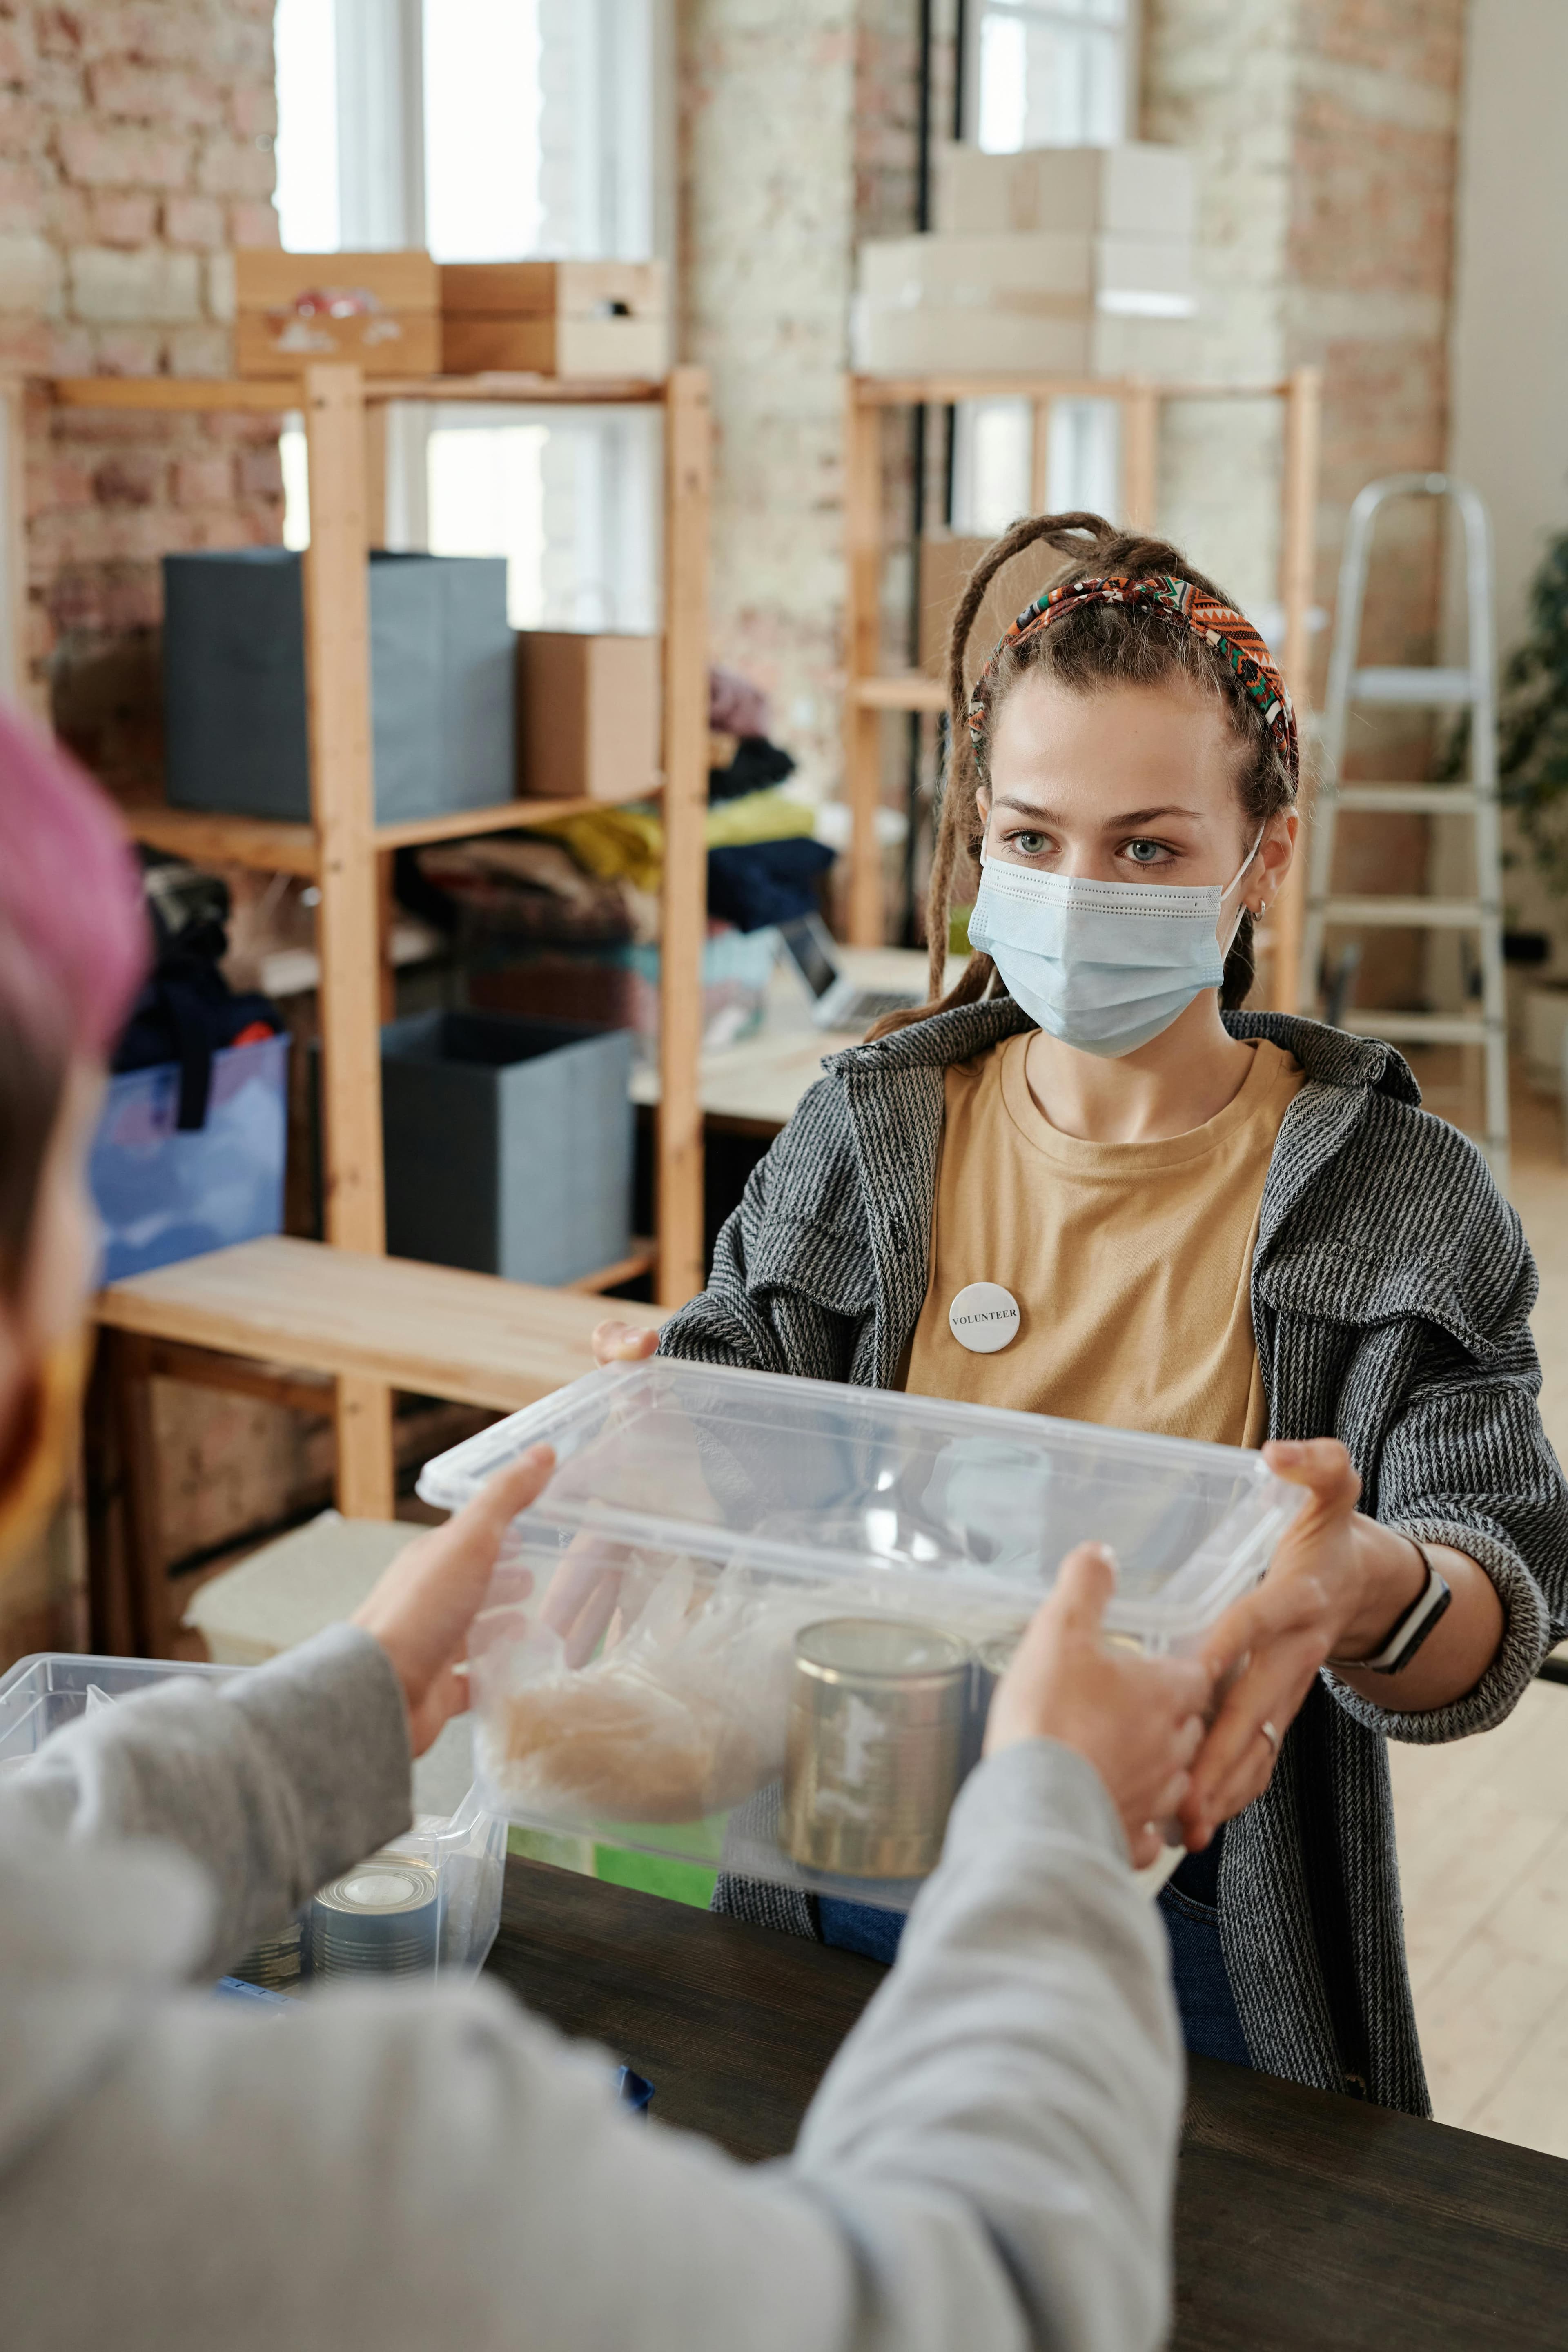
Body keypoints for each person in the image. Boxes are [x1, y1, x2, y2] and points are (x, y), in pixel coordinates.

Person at [0, 699, 1212, 2351]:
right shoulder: (318, 2181)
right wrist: (1057, 1821)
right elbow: (979, 2299)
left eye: (1148, 841)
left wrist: (346, 1702)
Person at [598, 512, 1568, 2116]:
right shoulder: (867, 1135)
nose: (1076, 888)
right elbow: (731, 1397)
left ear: (1263, 856)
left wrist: (1364, 1581)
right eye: (1034, 839)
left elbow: (1495, 1605)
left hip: (1191, 1914)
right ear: (977, 835)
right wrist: (648, 1435)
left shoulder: (1404, 1199)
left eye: (1147, 848)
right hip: (853, 1849)